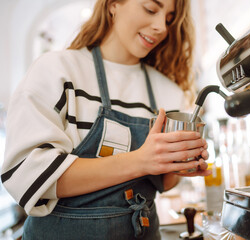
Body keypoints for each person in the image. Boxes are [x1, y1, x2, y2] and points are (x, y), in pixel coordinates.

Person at [1, 0, 210, 239]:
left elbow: (162, 182)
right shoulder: (57, 71)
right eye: (151, 9)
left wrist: (180, 163)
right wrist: (140, 161)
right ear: (113, 5)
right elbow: (28, 175)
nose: (161, 26)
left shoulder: (168, 92)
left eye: (169, 19)